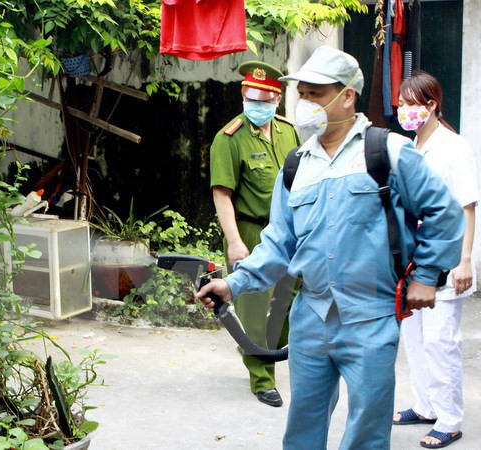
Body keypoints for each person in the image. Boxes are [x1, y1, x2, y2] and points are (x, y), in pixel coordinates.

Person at [197, 46, 465, 449]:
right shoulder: (296, 165)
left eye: (315, 94)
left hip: (371, 314)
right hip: (312, 315)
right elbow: (278, 243)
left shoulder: (387, 151)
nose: (305, 103)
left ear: (347, 96)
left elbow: (445, 213)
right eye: (301, 93)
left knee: (367, 427)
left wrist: (427, 277)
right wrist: (233, 284)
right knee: (303, 422)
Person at [393, 72, 477, 449]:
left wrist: (465, 261)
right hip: (415, 260)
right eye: (402, 102)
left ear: (432, 105)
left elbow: (467, 206)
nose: (407, 110)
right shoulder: (411, 145)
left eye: (415, 103)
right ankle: (426, 406)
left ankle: (450, 418)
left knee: (440, 341)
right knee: (415, 338)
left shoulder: (453, 147)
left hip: (445, 261)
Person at [209, 61, 300, 407]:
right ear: (243, 95)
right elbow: (222, 194)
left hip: (286, 231)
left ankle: (267, 352)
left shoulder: (288, 131)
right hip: (249, 229)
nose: (257, 105)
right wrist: (234, 241)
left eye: (265, 99)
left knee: (288, 302)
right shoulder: (228, 138)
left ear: (277, 100)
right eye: (251, 97)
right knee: (252, 306)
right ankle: (262, 377)